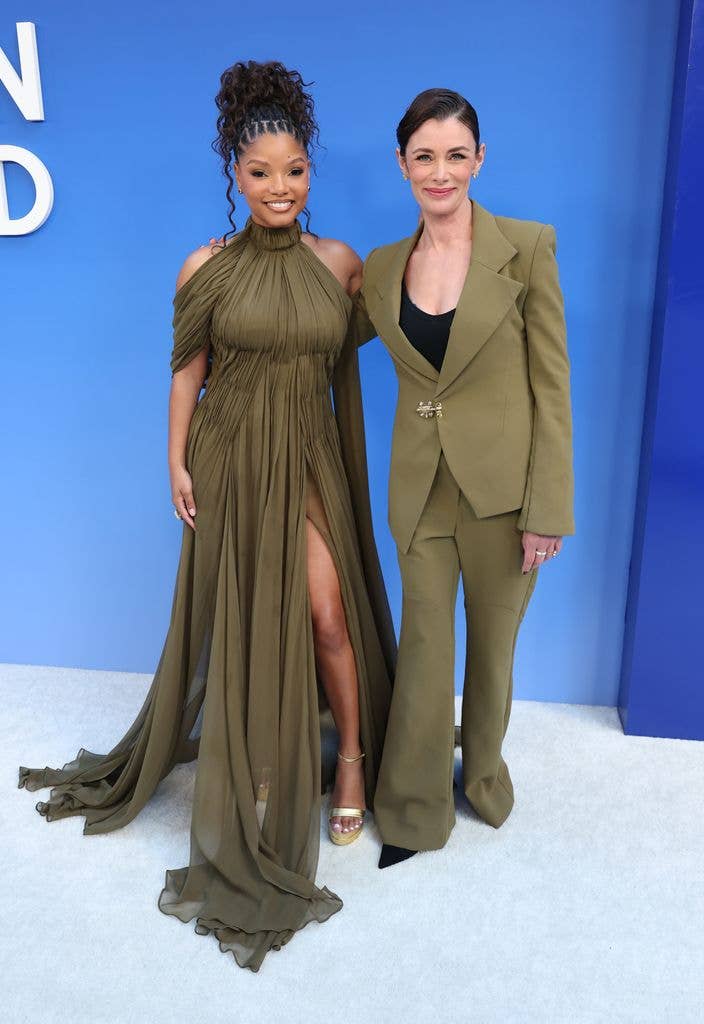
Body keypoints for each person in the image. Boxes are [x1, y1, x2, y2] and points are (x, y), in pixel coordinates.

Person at [18, 60, 395, 971]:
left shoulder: (340, 265)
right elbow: (188, 371)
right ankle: (256, 774)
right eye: (261, 171)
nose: (279, 187)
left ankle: (347, 760)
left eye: (295, 170)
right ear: (234, 172)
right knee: (244, 618)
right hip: (228, 461)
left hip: (307, 459)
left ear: (311, 171)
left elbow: (384, 351)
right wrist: (174, 460)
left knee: (327, 615)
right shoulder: (206, 267)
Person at [353, 88, 575, 868]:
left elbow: (553, 386)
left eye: (456, 155)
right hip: (419, 492)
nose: (439, 171)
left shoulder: (527, 246)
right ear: (403, 164)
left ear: (479, 160)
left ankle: (481, 778)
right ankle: (412, 812)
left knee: (493, 650)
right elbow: (313, 336)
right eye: (424, 156)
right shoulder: (381, 269)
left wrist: (547, 508)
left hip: (507, 496)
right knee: (423, 649)